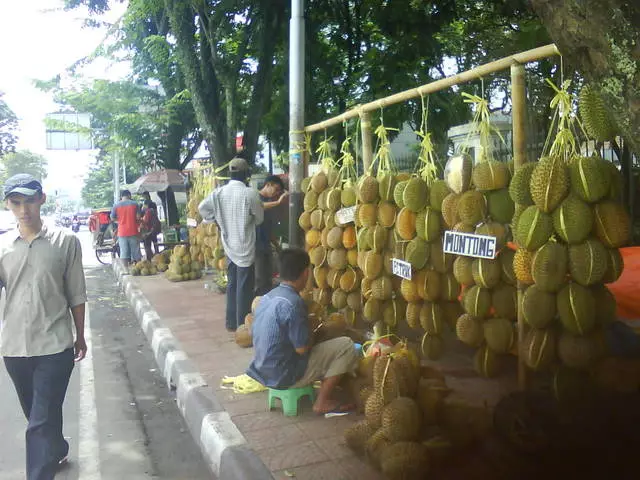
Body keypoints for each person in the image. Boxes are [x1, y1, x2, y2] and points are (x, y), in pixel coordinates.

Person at [0, 173, 87, 479]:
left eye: (30, 201)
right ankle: (58, 447)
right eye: (16, 203)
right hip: (14, 347)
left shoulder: (66, 242)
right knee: (38, 414)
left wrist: (81, 335)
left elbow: (76, 292)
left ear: (42, 200)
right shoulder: (3, 247)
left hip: (55, 344)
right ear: (8, 205)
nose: (24, 210)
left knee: (39, 421)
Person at [247, 248, 358, 414]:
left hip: (263, 370)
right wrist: (312, 330)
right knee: (347, 346)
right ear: (306, 273)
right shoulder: (294, 303)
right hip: (285, 376)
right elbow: (302, 349)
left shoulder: (267, 297)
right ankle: (321, 402)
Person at [198, 156, 264, 332]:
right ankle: (242, 325)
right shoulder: (250, 193)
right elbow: (259, 219)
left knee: (233, 284)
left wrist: (215, 219)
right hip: (245, 246)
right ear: (246, 174)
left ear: (229, 174)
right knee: (245, 287)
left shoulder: (218, 193)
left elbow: (202, 209)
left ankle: (230, 323)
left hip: (229, 245)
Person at [255, 175, 288, 295]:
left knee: (267, 280)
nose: (277, 193)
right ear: (268, 184)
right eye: (276, 189)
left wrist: (278, 247)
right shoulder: (255, 197)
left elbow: (269, 228)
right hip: (256, 246)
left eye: (279, 191)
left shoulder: (270, 202)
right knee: (259, 280)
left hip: (265, 246)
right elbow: (259, 206)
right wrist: (278, 202)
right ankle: (257, 309)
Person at [111, 189, 142, 268]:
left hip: (122, 232)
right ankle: (139, 268)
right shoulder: (135, 204)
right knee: (136, 251)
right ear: (129, 195)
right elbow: (138, 217)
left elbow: (112, 218)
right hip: (133, 230)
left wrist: (120, 221)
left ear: (121, 196)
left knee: (124, 251)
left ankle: (125, 269)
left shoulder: (116, 205)